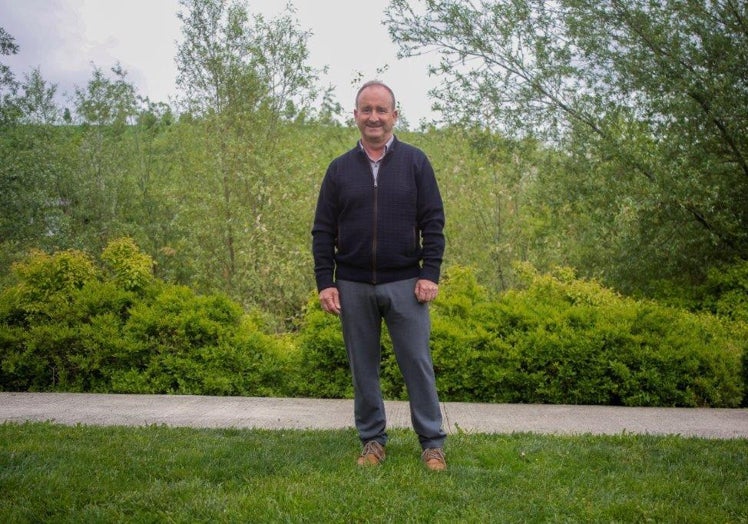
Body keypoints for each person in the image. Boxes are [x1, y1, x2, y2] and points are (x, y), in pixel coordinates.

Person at [311, 80, 447, 471]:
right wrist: (326, 280)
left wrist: (430, 273)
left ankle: (432, 443)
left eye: (381, 110)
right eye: (366, 110)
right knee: (363, 367)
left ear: (394, 116)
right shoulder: (338, 170)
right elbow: (323, 231)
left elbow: (433, 222)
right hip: (352, 285)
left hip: (406, 283)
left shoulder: (416, 162)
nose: (374, 117)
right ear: (355, 116)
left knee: (417, 364)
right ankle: (372, 441)